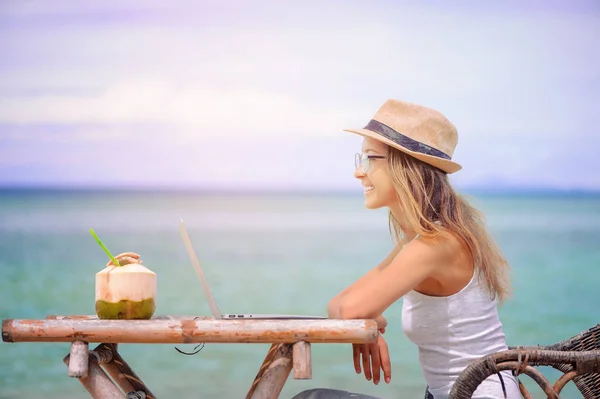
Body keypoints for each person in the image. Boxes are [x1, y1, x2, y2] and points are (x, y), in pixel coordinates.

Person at [292, 99, 520, 399]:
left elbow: (348, 309)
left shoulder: (436, 244)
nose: (359, 173)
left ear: (405, 167)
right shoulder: (420, 238)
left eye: (370, 159)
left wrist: (367, 318)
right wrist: (368, 319)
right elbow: (339, 304)